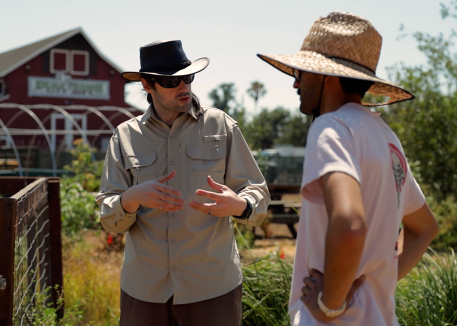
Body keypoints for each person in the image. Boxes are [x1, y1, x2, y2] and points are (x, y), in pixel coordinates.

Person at [257, 12, 439, 325]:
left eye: (304, 72)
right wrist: (377, 282)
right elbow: (425, 229)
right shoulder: (386, 137)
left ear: (327, 76)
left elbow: (350, 224)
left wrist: (330, 304)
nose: (295, 82)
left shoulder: (331, 128)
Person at [96, 39, 270, 326]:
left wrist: (240, 204)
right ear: (147, 85)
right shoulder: (124, 136)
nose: (184, 87)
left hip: (213, 289)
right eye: (171, 81)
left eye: (188, 77)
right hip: (145, 292)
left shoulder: (222, 126)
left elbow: (258, 195)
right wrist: (132, 197)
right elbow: (109, 216)